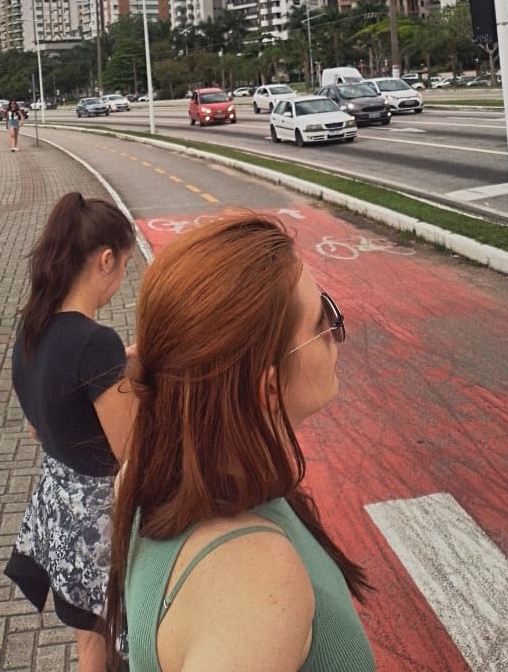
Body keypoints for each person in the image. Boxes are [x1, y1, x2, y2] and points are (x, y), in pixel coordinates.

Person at [106, 213, 374, 672]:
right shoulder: (256, 587)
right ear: (267, 389)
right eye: (321, 321)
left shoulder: (149, 469)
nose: (335, 330)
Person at [5, 192, 136, 672]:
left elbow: (37, 425)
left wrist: (125, 362)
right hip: (99, 529)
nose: (122, 278)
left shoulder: (32, 328)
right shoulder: (95, 344)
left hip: (58, 515)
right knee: (128, 647)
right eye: (125, 265)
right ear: (105, 260)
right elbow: (132, 449)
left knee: (89, 647)